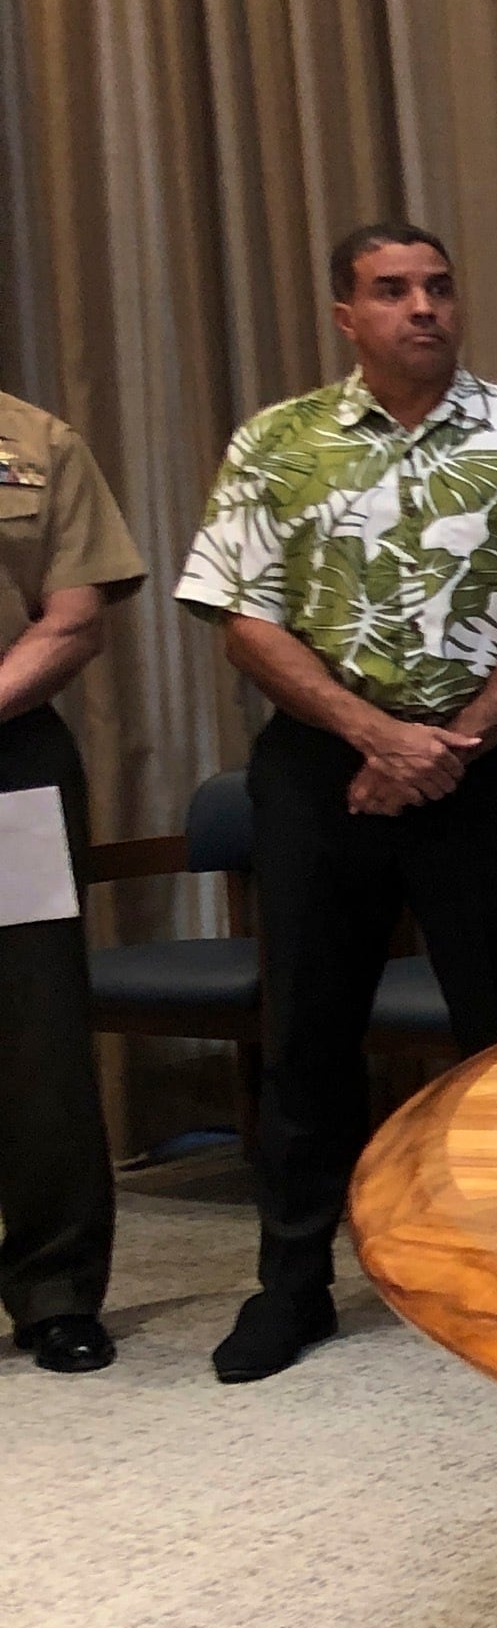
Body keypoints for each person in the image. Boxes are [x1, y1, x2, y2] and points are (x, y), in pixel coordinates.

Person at [176, 221, 497, 1382]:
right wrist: (376, 735)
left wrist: (449, 746)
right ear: (347, 316)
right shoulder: (279, 444)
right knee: (310, 1032)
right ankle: (292, 1286)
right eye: (391, 291)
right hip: (325, 772)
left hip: (489, 773)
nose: (421, 306)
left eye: (437, 285)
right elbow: (245, 619)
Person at [0, 391, 149, 1374]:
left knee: (35, 1032)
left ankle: (55, 1291)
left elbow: (74, 619)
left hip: (7, 760)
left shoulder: (34, 440)